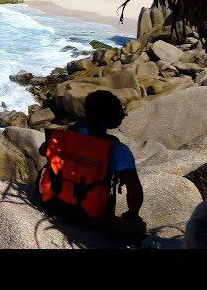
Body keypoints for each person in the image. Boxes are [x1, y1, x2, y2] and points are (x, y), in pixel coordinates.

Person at [37, 90, 146, 246]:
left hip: (55, 205)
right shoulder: (117, 149)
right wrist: (133, 213)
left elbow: (42, 150)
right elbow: (133, 188)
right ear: (113, 119)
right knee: (139, 228)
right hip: (91, 218)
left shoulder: (64, 137)